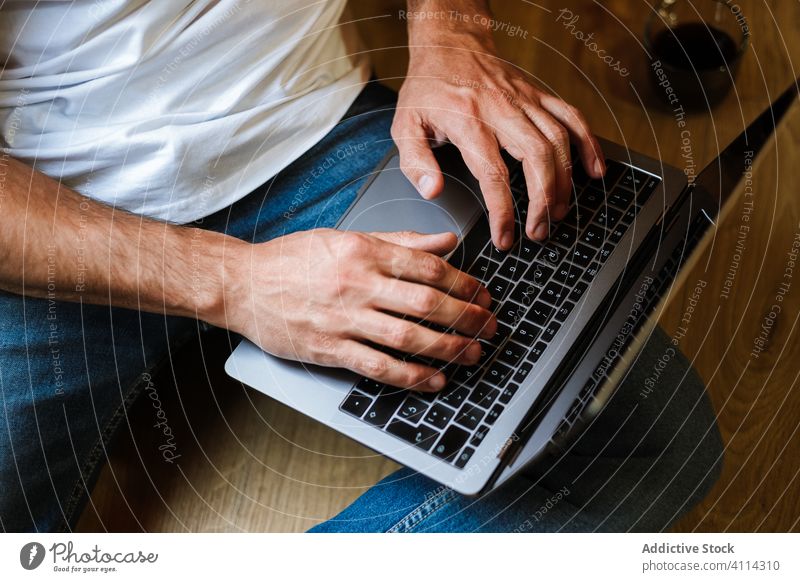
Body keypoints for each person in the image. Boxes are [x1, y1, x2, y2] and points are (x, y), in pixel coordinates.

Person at [0, 0, 722, 532]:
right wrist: (235, 283)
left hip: (308, 130)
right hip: (54, 215)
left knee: (651, 438)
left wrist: (449, 34)